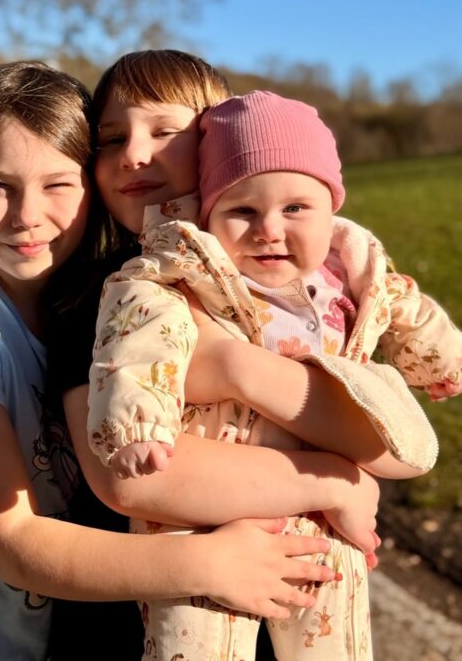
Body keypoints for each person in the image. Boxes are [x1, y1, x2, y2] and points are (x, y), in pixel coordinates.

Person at [0, 62, 346, 661]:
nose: (26, 216)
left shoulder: (238, 286)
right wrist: (212, 560)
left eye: (57, 184)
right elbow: (20, 537)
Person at [77, 57, 449, 660]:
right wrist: (334, 481)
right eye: (111, 138)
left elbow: (399, 450)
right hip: (181, 576)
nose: (134, 153)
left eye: (164, 131)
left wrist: (234, 370)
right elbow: (135, 478)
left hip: (313, 561)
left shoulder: (332, 273)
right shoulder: (113, 290)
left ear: (213, 143)